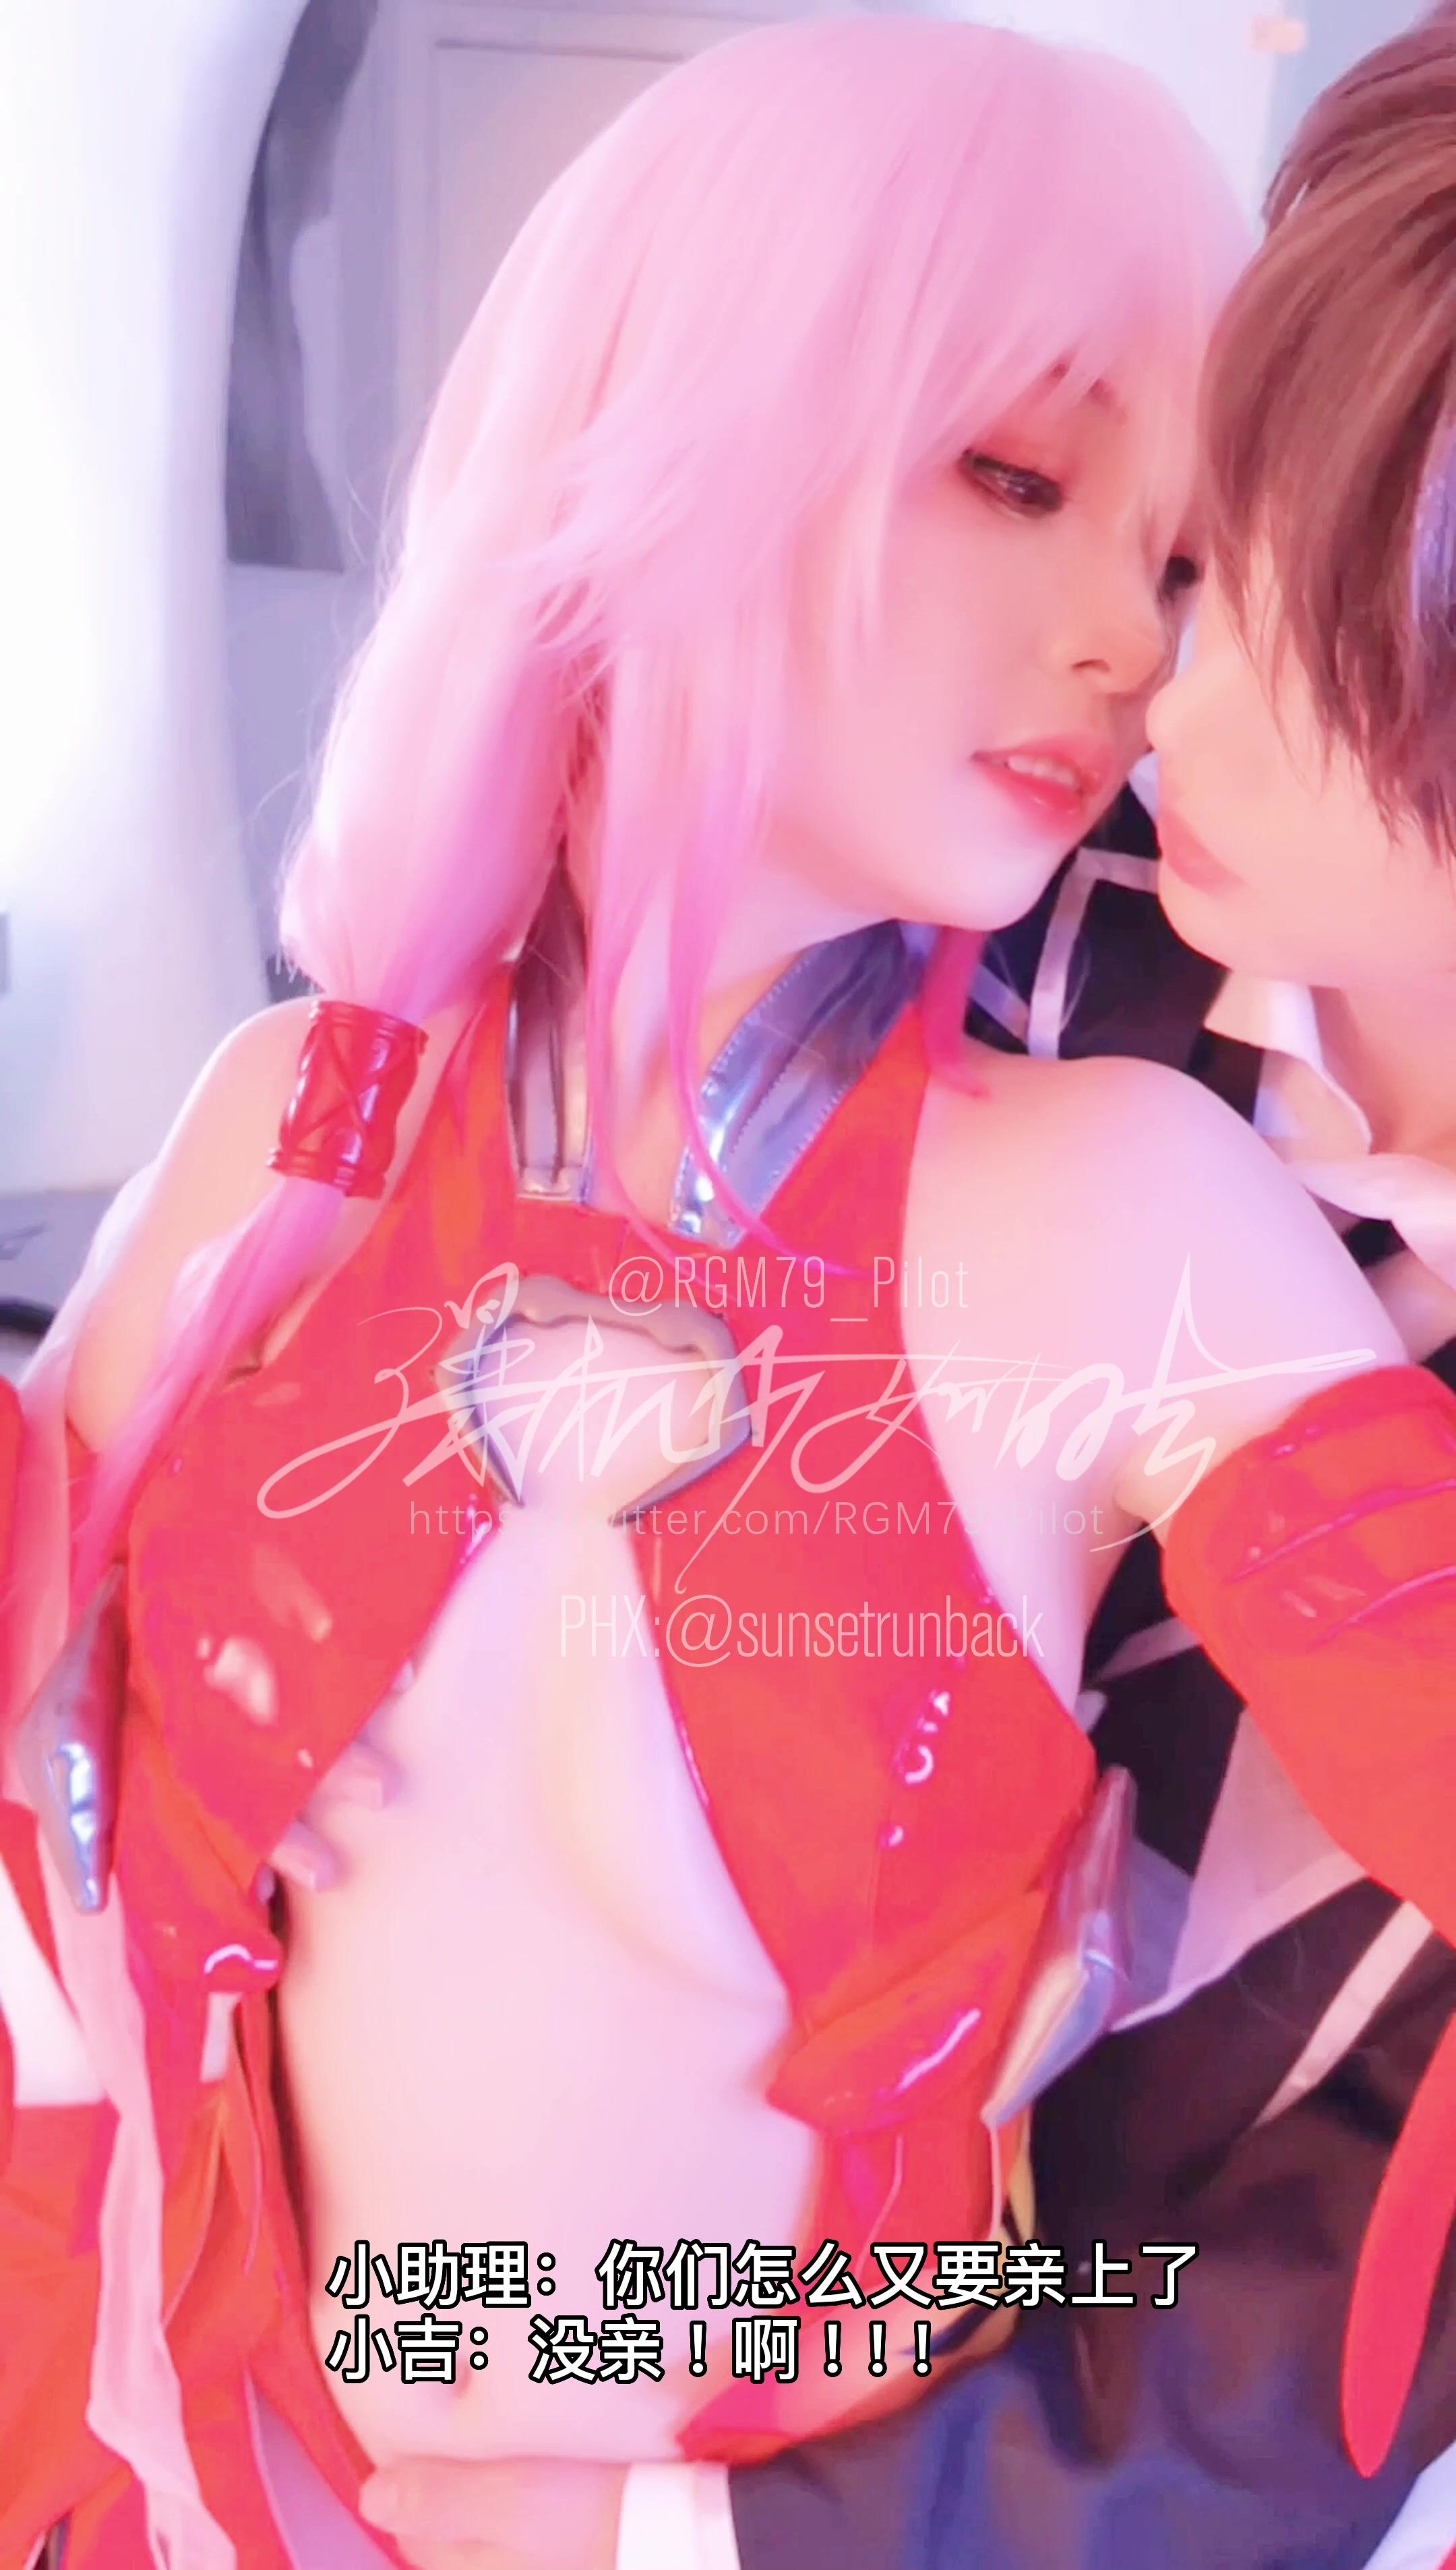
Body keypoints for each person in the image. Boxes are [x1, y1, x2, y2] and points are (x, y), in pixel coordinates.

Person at [2, 17, 1455, 2570]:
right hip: (216, 2480)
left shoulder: (1118, 1214)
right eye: (1019, 479)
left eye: (1177, 560)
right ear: (684, 423)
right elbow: (43, 1891)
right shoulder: (283, 1143)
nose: (1126, 646)